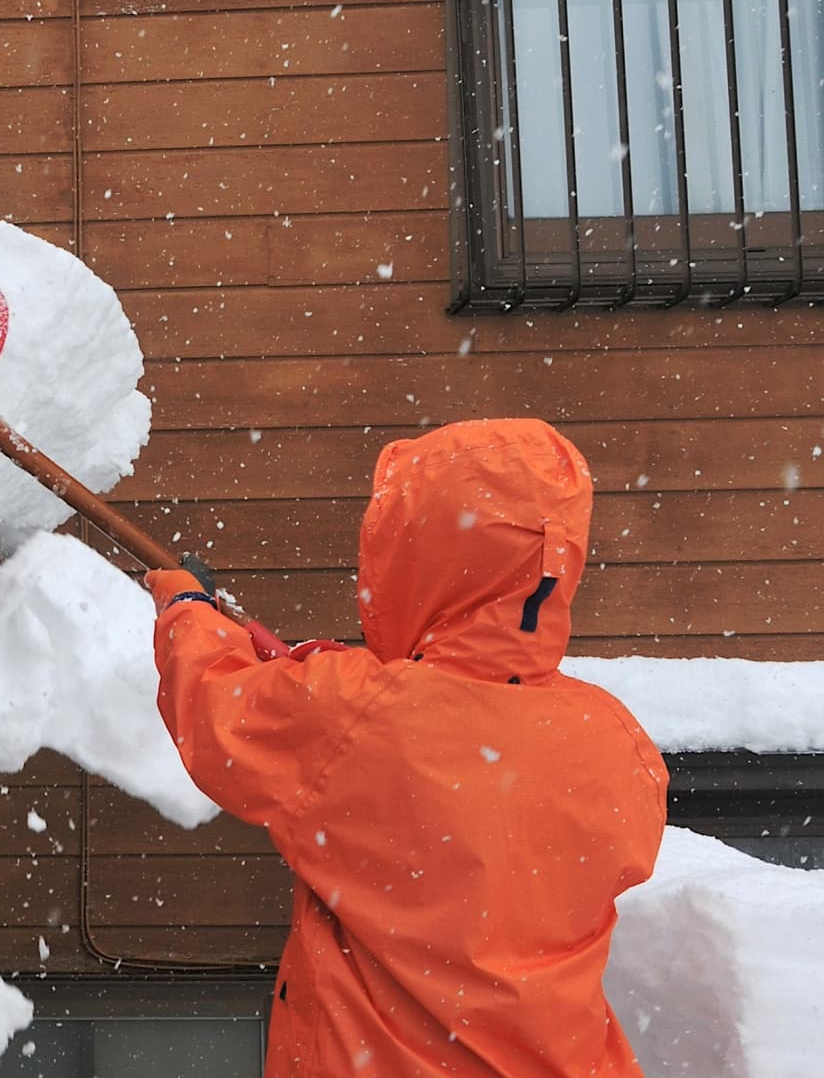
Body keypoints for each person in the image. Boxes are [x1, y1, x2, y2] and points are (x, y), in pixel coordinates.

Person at [147, 417, 668, 1077]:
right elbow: (447, 750)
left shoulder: (360, 712)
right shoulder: (615, 738)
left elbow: (219, 710)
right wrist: (341, 680)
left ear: (418, 557)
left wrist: (186, 610)